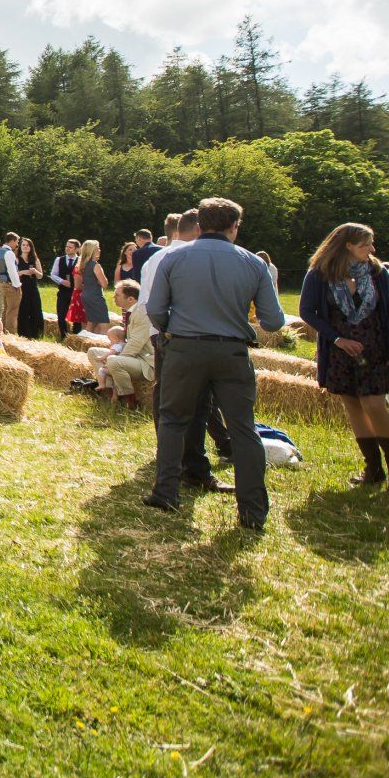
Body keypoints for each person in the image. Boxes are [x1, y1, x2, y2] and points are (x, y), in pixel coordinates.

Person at [141, 197, 287, 530]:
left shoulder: (173, 259)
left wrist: (171, 330)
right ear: (233, 227)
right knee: (243, 429)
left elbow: (155, 308)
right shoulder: (253, 263)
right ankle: (252, 510)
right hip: (232, 351)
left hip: (184, 348)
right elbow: (275, 320)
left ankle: (166, 492)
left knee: (173, 420)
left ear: (200, 224)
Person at [299, 223, 389, 488]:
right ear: (347, 246)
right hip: (339, 350)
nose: (371, 249)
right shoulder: (319, 274)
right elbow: (307, 311)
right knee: (354, 407)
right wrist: (337, 339)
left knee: (374, 405)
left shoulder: (377, 272)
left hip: (374, 347)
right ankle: (373, 468)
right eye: (365, 244)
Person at [140, 209, 234, 477]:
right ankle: (197, 456)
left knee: (165, 392)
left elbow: (147, 303)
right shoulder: (185, 257)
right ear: (197, 229)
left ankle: (170, 451)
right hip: (182, 334)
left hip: (160, 331)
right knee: (198, 396)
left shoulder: (156, 257)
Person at [87, 279, 154, 406]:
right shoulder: (131, 312)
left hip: (145, 362)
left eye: (117, 295)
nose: (114, 297)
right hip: (134, 356)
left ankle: (128, 400)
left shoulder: (142, 314)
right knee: (93, 352)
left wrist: (112, 360)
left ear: (131, 299)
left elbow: (135, 344)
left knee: (113, 361)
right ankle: (109, 390)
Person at [74, 239, 111, 335]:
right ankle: (103, 344)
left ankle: (83, 341)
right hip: (96, 296)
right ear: (93, 250)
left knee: (91, 322)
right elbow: (105, 284)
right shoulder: (95, 265)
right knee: (104, 324)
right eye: (98, 248)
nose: (100, 250)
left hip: (85, 295)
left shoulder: (82, 265)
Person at [14, 237, 45, 339]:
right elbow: (13, 274)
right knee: (23, 309)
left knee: (36, 309)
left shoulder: (35, 259)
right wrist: (23, 272)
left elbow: (40, 276)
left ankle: (36, 333)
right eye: (23, 245)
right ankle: (23, 334)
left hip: (33, 287)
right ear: (20, 246)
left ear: (31, 247)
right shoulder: (17, 259)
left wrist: (35, 271)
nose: (25, 247)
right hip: (22, 287)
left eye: (27, 245)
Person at [49, 240, 81, 340]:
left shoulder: (80, 261)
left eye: (70, 247)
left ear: (76, 249)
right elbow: (53, 274)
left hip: (76, 292)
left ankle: (75, 337)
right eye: (66, 246)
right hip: (63, 292)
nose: (67, 248)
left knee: (77, 316)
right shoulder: (59, 260)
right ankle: (64, 336)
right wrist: (62, 281)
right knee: (61, 315)